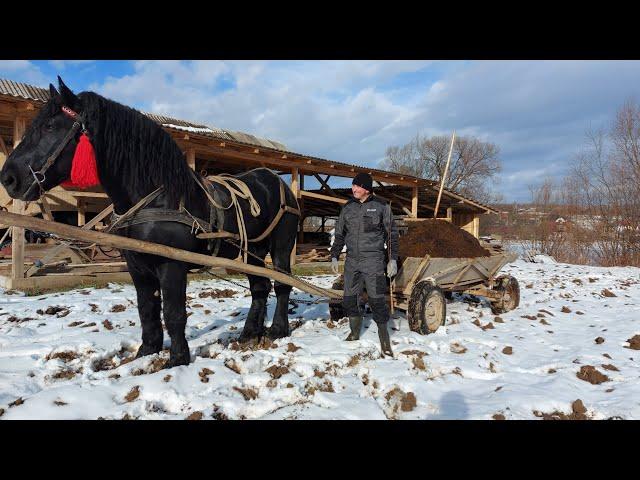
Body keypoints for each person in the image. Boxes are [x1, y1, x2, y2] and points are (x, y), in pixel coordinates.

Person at [330, 172, 398, 356]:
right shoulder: (348, 208)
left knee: (377, 300)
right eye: (353, 185)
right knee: (349, 298)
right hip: (352, 260)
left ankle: (384, 340)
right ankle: (354, 333)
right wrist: (335, 254)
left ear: (366, 189)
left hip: (373, 260)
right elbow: (339, 234)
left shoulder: (381, 207)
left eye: (357, 186)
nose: (354, 189)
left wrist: (392, 259)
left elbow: (391, 235)